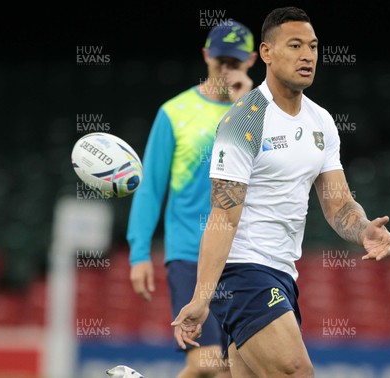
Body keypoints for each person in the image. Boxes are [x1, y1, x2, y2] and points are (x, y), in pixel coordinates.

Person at [171, 6, 390, 377]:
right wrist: (202, 297)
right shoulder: (243, 120)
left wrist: (363, 229)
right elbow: (222, 216)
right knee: (296, 371)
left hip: (283, 274)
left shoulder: (321, 121)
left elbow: (337, 202)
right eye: (294, 45)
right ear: (266, 53)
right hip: (243, 272)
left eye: (313, 46)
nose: (307, 55)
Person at [126, 20, 257, 378]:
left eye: (235, 61)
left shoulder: (263, 114)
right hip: (189, 251)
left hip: (244, 252)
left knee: (233, 368)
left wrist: (247, 105)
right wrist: (139, 252)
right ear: (205, 56)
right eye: (221, 61)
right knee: (207, 362)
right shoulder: (174, 112)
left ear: (252, 60)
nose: (228, 68)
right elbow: (150, 185)